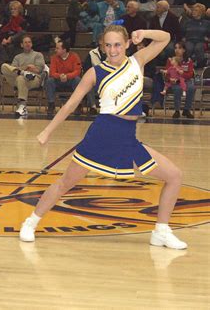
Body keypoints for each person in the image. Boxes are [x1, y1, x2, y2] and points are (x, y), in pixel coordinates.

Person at [19, 25, 188, 250]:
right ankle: (31, 222)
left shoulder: (138, 60)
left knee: (174, 176)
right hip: (102, 134)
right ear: (102, 46)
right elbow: (71, 104)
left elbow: (165, 37)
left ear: (127, 44)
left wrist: (144, 34)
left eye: (118, 44)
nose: (113, 49)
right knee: (66, 183)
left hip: (128, 137)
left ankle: (161, 231)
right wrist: (47, 131)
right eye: (108, 45)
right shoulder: (95, 72)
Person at [1, 35, 45, 117]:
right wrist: (25, 68)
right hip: (17, 78)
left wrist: (20, 69)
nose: (27, 44)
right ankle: (23, 73)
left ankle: (22, 105)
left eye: (29, 42)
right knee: (4, 66)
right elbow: (12, 70)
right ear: (22, 45)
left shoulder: (38, 55)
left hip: (34, 79)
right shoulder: (17, 57)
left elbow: (38, 70)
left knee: (20, 78)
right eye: (25, 42)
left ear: (31, 44)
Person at [45, 39, 82, 117]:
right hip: (58, 80)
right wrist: (60, 76)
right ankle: (51, 104)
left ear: (64, 50)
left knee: (78, 80)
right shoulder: (54, 58)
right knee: (49, 81)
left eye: (58, 48)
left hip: (70, 80)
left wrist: (67, 76)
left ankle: (78, 105)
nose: (55, 50)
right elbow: (52, 72)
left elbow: (77, 71)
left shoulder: (74, 56)